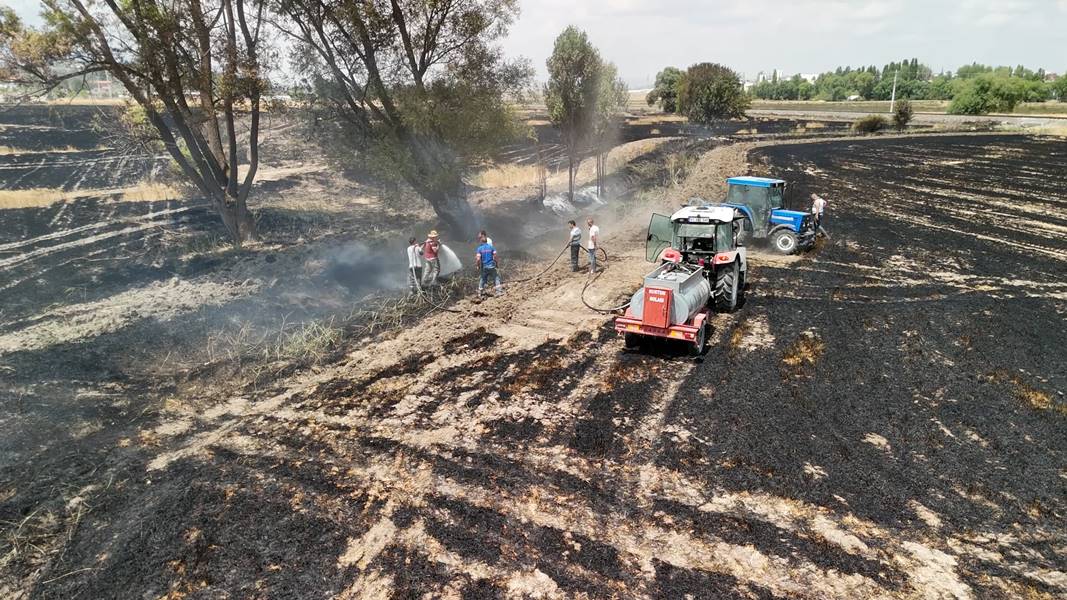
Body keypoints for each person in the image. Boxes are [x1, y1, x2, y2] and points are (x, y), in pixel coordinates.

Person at [475, 232, 503, 297]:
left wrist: (478, 265)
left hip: (484, 267)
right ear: (487, 241)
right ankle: (499, 292)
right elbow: (495, 256)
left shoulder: (479, 248)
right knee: (496, 278)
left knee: (482, 279)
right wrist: (497, 264)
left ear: (481, 242)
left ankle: (480, 293)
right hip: (491, 266)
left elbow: (478, 259)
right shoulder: (491, 247)